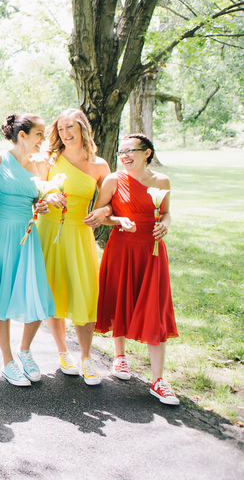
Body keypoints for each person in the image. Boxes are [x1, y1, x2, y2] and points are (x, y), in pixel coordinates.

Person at [89, 134, 179, 404]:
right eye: (121, 151)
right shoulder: (113, 180)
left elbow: (165, 212)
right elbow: (98, 213)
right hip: (122, 249)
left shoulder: (162, 181)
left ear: (147, 153)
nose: (125, 156)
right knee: (120, 299)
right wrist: (118, 219)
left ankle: (158, 380)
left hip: (151, 252)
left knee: (156, 308)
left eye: (131, 151)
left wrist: (166, 223)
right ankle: (119, 358)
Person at [0, 114, 56, 386]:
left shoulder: (41, 166)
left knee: (36, 294)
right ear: (22, 135)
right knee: (2, 297)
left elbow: (37, 200)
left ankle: (25, 350)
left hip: (27, 236)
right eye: (39, 134)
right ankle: (7, 361)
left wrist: (41, 205)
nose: (42, 140)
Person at [36, 108, 111, 385]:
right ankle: (62, 352)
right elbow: (37, 192)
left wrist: (103, 213)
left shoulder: (100, 166)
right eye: (62, 129)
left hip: (80, 235)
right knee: (55, 291)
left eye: (71, 128)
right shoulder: (50, 159)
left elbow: (110, 201)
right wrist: (42, 202)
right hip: (51, 232)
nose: (66, 134)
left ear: (83, 129)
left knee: (84, 292)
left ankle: (87, 357)